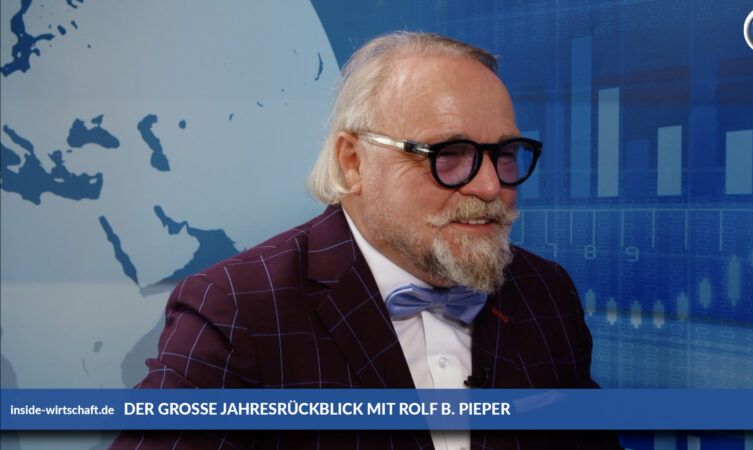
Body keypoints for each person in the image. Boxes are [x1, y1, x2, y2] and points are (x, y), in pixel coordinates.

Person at [113, 31, 621, 449]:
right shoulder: (237, 309)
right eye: (449, 154)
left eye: (505, 154)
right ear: (353, 162)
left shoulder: (545, 291)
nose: (490, 187)